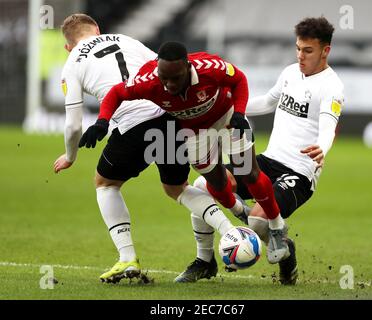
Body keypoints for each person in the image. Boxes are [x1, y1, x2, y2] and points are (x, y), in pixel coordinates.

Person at [54, 14, 241, 284]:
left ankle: (127, 257)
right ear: (97, 29)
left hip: (132, 126)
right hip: (169, 117)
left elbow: (73, 126)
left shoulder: (72, 62)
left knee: (105, 183)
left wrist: (70, 156)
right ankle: (231, 232)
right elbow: (164, 72)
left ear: (68, 46)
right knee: (177, 188)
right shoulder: (125, 39)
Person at [80, 41, 292, 275]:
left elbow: (239, 79)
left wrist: (240, 112)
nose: (169, 85)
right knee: (218, 184)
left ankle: (276, 226)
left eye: (176, 78)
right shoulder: (149, 80)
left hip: (228, 118)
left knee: (248, 172)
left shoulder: (209, 68)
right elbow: (116, 93)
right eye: (164, 78)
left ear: (188, 68)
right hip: (194, 133)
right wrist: (102, 121)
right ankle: (239, 209)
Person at [189, 16, 344, 285]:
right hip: (269, 161)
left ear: (325, 50)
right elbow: (267, 102)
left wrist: (323, 147)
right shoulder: (289, 73)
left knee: (259, 223)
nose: (300, 56)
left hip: (299, 172)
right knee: (202, 184)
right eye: (298, 48)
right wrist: (227, 105)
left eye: (308, 50)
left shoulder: (332, 86)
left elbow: (329, 125)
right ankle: (206, 259)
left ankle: (286, 251)